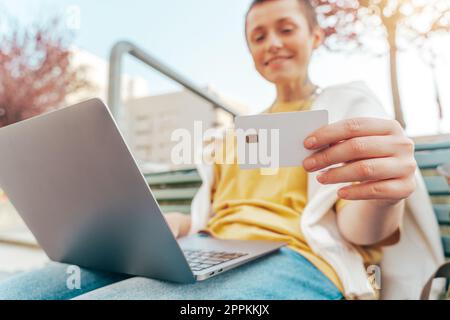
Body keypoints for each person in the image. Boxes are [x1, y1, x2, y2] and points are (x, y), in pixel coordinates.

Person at [0, 0, 441, 300]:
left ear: (316, 37)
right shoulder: (234, 134)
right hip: (207, 248)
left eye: (286, 29)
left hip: (301, 257)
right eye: (258, 36)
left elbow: (362, 235)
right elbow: (218, 213)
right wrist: (174, 225)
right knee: (18, 290)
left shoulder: (347, 109)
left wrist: (383, 191)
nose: (272, 44)